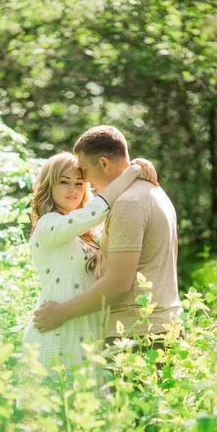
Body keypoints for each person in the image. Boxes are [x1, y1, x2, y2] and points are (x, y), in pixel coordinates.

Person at [33, 126, 182, 348]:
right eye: (64, 181)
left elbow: (118, 283)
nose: (86, 182)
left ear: (103, 163)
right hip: (159, 328)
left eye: (83, 176)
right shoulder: (154, 193)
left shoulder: (127, 205)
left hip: (138, 333)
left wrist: (62, 313)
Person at [22, 151, 158, 368]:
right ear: (49, 185)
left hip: (88, 329)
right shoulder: (48, 226)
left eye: (79, 183)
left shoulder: (84, 232)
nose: (73, 190)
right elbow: (94, 211)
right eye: (64, 182)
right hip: (56, 331)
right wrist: (132, 171)